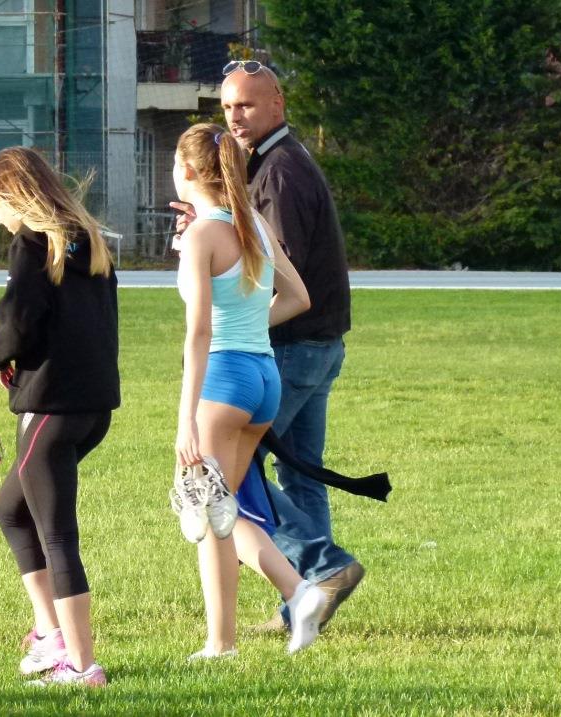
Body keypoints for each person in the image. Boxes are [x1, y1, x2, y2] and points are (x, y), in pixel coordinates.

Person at [172, 61, 363, 633]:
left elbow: (264, 276)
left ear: (277, 103)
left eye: (247, 106)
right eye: (228, 107)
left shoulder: (277, 174)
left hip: (284, 351)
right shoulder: (276, 166)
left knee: (234, 483)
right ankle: (306, 600)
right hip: (309, 347)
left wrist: (207, 240)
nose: (236, 117)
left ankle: (318, 571)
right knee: (301, 476)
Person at [0, 147, 119, 688]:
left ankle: (81, 665)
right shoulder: (88, 237)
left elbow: (19, 320)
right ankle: (49, 632)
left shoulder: (32, 242)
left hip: (51, 406)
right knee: (11, 508)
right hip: (93, 405)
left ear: (13, 196)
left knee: (57, 535)